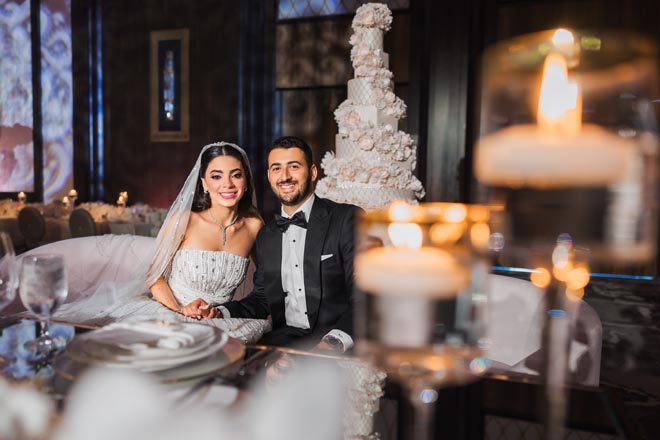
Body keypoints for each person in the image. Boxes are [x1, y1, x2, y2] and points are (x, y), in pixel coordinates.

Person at [49, 142, 270, 342]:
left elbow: (267, 281)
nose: (227, 184)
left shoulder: (253, 225)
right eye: (216, 176)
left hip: (219, 319)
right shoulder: (184, 220)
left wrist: (220, 311)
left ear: (246, 180)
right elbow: (154, 276)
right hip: (170, 310)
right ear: (203, 182)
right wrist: (181, 309)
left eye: (236, 175)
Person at [188, 136, 360, 351]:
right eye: (276, 169)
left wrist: (332, 343)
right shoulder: (266, 235)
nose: (285, 176)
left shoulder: (346, 219)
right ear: (269, 176)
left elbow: (365, 295)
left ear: (313, 172)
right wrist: (217, 312)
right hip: (283, 341)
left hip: (335, 340)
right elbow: (261, 300)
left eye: (294, 167)